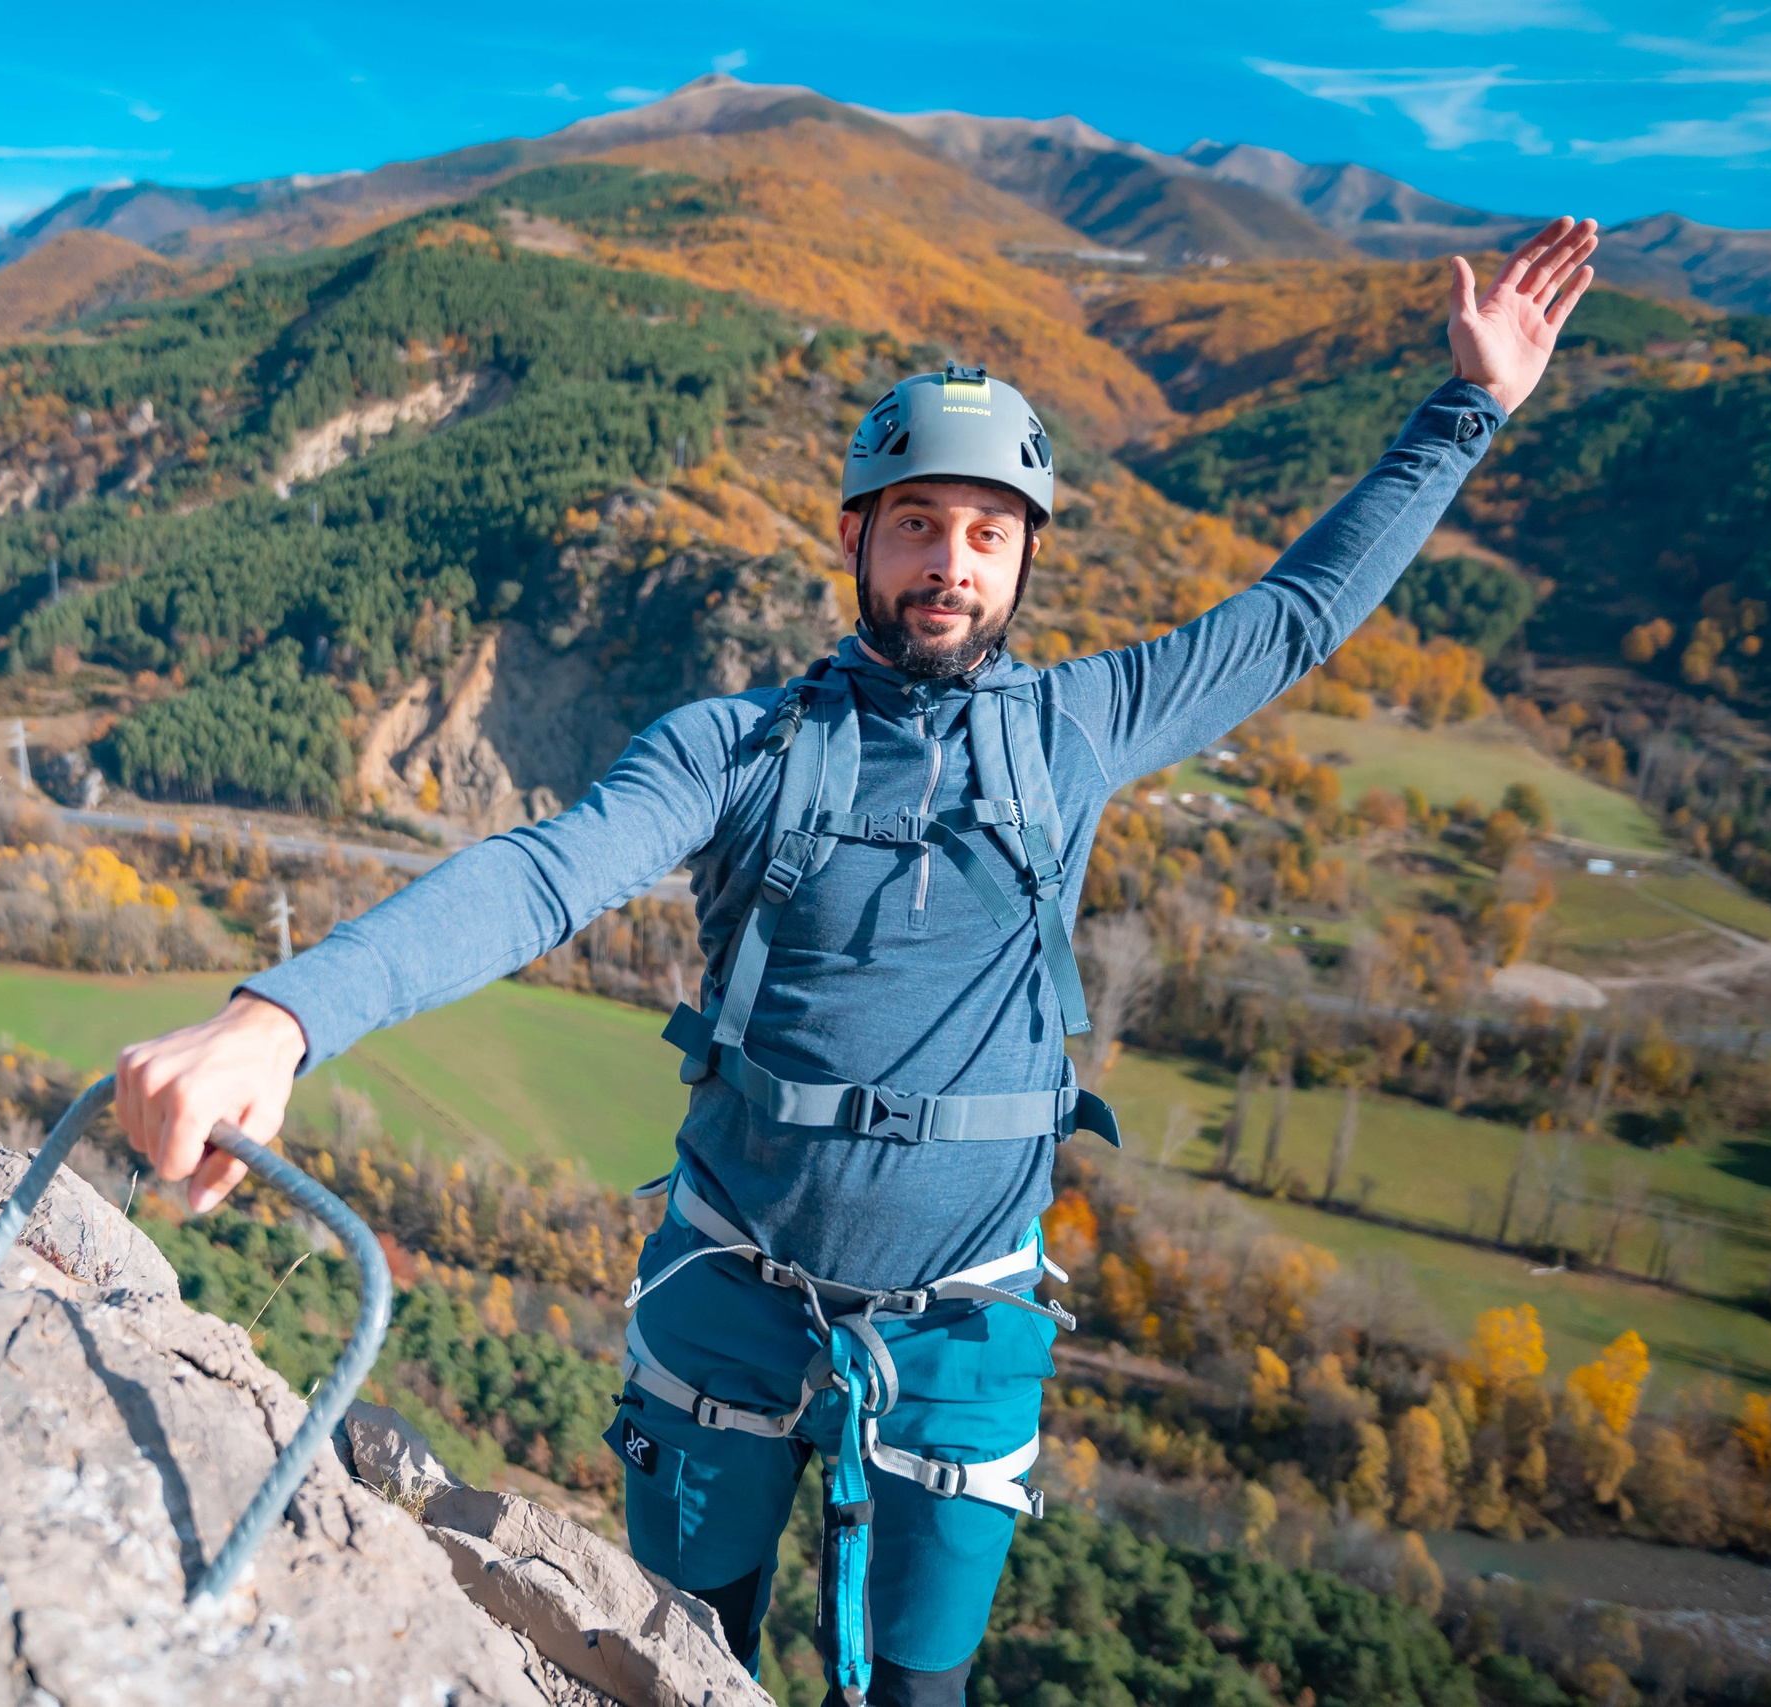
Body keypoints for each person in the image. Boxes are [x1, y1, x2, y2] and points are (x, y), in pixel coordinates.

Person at [116, 217, 1600, 1705]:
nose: (950, 566)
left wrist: (1468, 408)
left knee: (920, 1695)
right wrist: (284, 1019)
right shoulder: (736, 749)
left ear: (1023, 556)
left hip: (969, 1317)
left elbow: (1296, 617)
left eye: (987, 532)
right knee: (670, 1666)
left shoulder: (1074, 734)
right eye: (916, 524)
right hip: (729, 1293)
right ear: (852, 536)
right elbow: (543, 874)